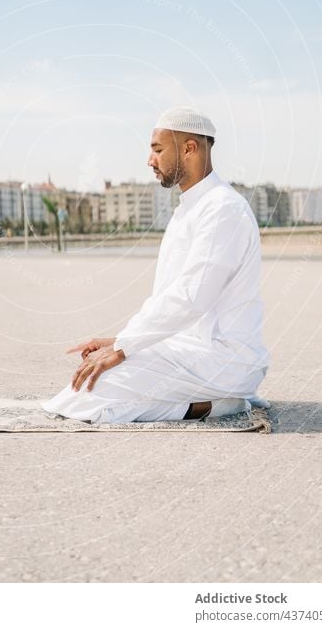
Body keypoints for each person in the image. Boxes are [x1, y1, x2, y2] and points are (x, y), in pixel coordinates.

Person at [41, 106, 270, 423]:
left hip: (224, 360)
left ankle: (219, 405)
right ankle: (209, 398)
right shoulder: (189, 209)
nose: (150, 161)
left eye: (158, 150)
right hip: (188, 351)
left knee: (93, 391)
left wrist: (124, 348)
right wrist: (121, 340)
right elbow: (166, 297)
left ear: (189, 148)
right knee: (88, 378)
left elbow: (191, 297)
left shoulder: (222, 209)